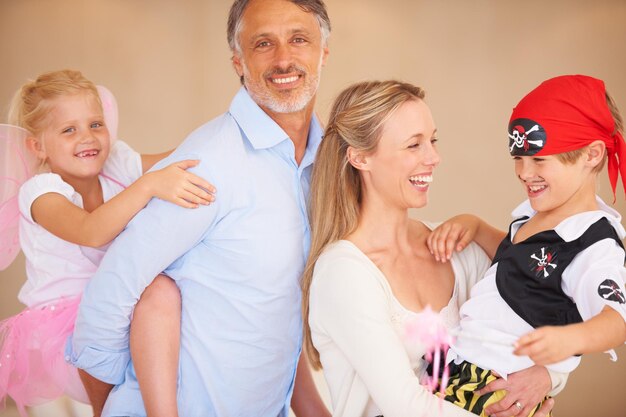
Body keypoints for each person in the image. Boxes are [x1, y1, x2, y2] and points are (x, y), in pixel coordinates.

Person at [68, 0, 332, 416]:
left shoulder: (327, 167)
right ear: (238, 62)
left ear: (323, 52)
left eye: (299, 39)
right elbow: (110, 293)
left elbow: (275, 313)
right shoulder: (211, 161)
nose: (284, 58)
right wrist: (111, 409)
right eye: (263, 43)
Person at [302, 80, 561, 417]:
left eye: (432, 141)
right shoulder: (343, 273)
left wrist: (548, 376)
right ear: (360, 157)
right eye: (414, 145)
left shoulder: (457, 247)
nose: (434, 157)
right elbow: (405, 405)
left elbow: (543, 311)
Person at [0, 69, 216, 417]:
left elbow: (181, 156)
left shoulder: (117, 163)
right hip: (65, 321)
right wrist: (148, 186)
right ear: (37, 146)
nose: (88, 138)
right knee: (113, 399)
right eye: (69, 130)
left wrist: (223, 135)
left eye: (95, 124)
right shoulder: (41, 193)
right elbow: (91, 230)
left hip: (118, 300)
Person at [427, 75, 626, 416]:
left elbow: (617, 320)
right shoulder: (535, 216)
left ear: (592, 154)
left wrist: (571, 340)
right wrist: (474, 226)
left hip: (495, 388)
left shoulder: (593, 243)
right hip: (458, 369)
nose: (523, 172)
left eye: (539, 160)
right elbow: (514, 259)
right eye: (518, 158)